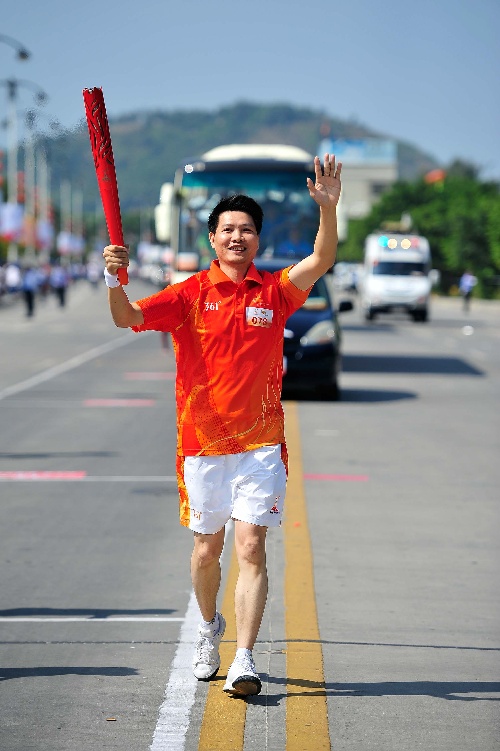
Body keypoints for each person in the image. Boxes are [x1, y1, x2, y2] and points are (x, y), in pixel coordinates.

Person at [102, 153, 342, 697]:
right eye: (228, 229)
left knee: (252, 548)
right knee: (206, 552)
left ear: (258, 239)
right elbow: (128, 317)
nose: (238, 237)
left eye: (248, 230)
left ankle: (245, 659)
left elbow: (323, 257)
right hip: (203, 446)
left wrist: (328, 210)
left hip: (260, 443)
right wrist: (113, 277)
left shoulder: (274, 291)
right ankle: (210, 628)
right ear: (213, 238)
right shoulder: (189, 295)